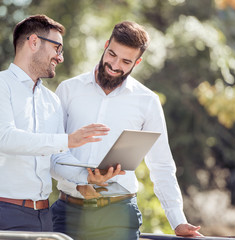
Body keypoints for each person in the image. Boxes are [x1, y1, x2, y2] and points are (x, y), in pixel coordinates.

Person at [50, 21, 203, 239]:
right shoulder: (68, 90)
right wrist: (83, 179)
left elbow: (161, 164)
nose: (114, 65)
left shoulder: (147, 101)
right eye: (112, 54)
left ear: (137, 62)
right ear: (106, 45)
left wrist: (177, 220)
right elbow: (53, 152)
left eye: (125, 61)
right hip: (68, 212)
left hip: (119, 214)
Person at [0, 14, 115, 232]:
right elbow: (6, 139)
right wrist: (68, 140)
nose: (60, 57)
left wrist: (87, 176)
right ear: (34, 42)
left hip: (44, 217)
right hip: (1, 213)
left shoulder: (51, 100)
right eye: (57, 48)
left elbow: (56, 158)